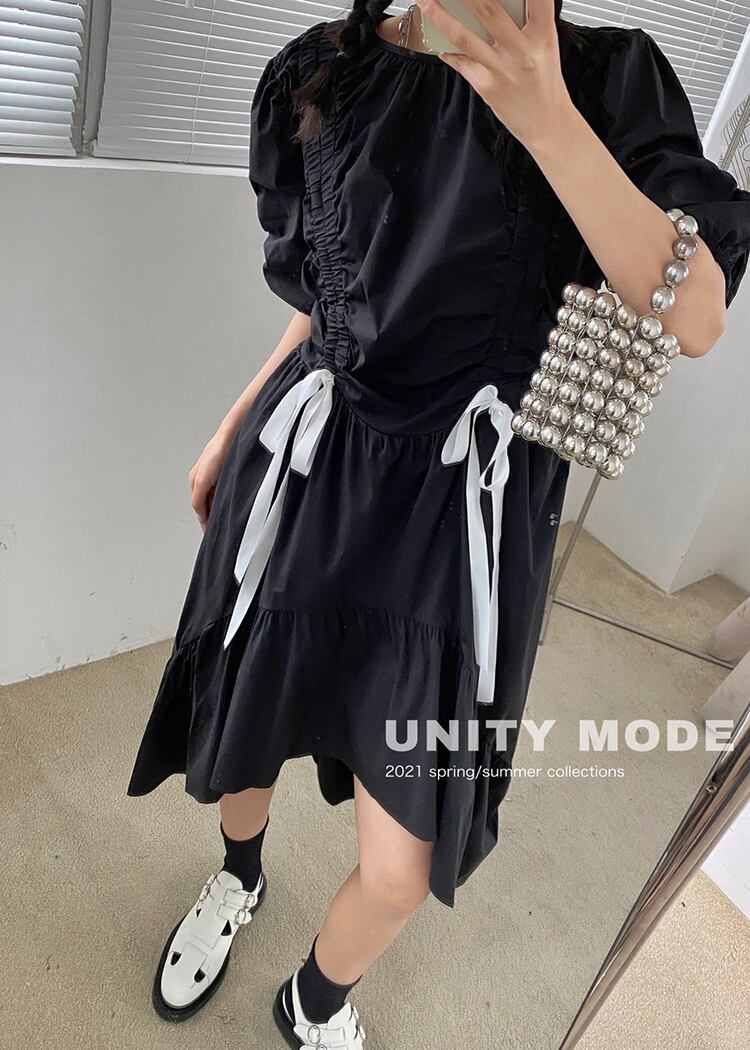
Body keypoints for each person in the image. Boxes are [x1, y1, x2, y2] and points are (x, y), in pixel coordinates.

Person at [127, 2, 750, 1045]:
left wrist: (546, 115)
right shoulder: (325, 69)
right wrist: (232, 424)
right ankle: (238, 877)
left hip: (466, 512)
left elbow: (696, 318)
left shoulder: (610, 79)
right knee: (249, 730)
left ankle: (313, 998)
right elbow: (329, 290)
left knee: (402, 864)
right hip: (314, 462)